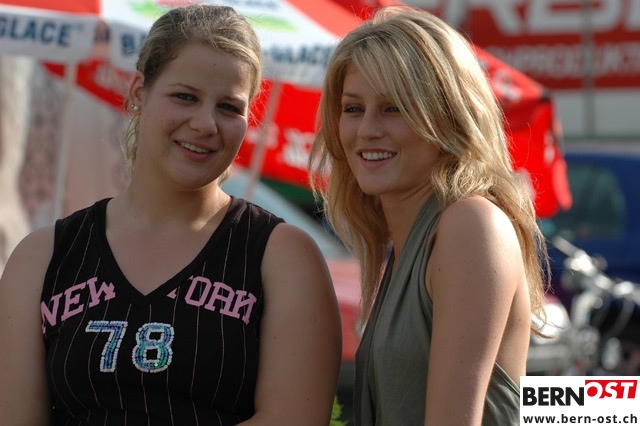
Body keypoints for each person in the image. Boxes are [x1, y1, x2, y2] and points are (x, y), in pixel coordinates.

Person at [0, 5, 342, 425]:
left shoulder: (282, 257)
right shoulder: (42, 257)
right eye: (185, 97)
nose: (205, 123)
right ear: (138, 92)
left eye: (228, 107)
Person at [309, 6, 549, 425]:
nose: (366, 129)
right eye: (353, 108)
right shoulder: (409, 239)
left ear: (447, 116)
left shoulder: (469, 226)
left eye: (393, 108)